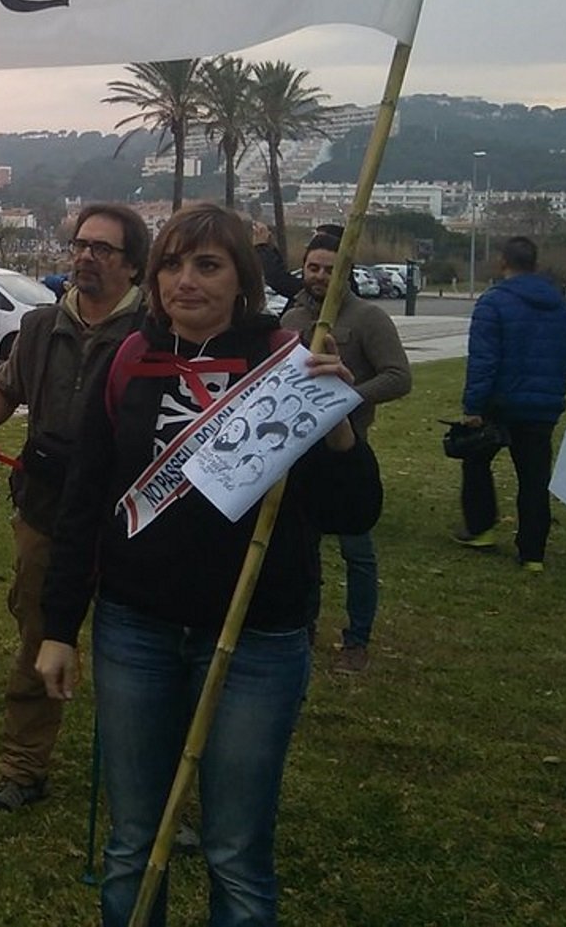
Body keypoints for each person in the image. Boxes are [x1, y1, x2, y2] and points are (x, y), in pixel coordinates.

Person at [37, 204, 380, 927]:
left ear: (243, 279)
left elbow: (353, 513)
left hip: (258, 635)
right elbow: (83, 507)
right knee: (134, 843)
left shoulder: (289, 363)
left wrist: (339, 423)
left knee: (236, 848)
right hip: (136, 631)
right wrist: (58, 627)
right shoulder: (124, 362)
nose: (185, 280)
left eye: (208, 264)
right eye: (171, 263)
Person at [0, 202, 149, 811]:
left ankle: (148, 783)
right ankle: (22, 767)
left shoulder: (155, 334)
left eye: (102, 249)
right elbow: (8, 386)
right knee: (39, 633)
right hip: (45, 507)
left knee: (139, 651)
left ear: (134, 265)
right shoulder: (40, 326)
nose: (85, 257)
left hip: (132, 517)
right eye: (80, 246)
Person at [281, 232, 412, 672]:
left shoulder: (369, 318)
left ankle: (358, 639)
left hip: (347, 452)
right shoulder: (292, 314)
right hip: (298, 452)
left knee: (357, 551)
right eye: (313, 267)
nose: (319, 276)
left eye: (330, 268)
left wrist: (345, 398)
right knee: (303, 548)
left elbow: (398, 376)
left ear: (347, 271)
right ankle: (303, 628)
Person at [457, 235, 566, 569]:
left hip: (501, 401)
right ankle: (532, 553)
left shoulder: (493, 302)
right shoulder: (560, 306)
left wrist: (474, 406)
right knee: (535, 477)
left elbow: (484, 359)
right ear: (536, 264)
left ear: (502, 263)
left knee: (477, 460)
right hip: (542, 406)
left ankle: (480, 528)